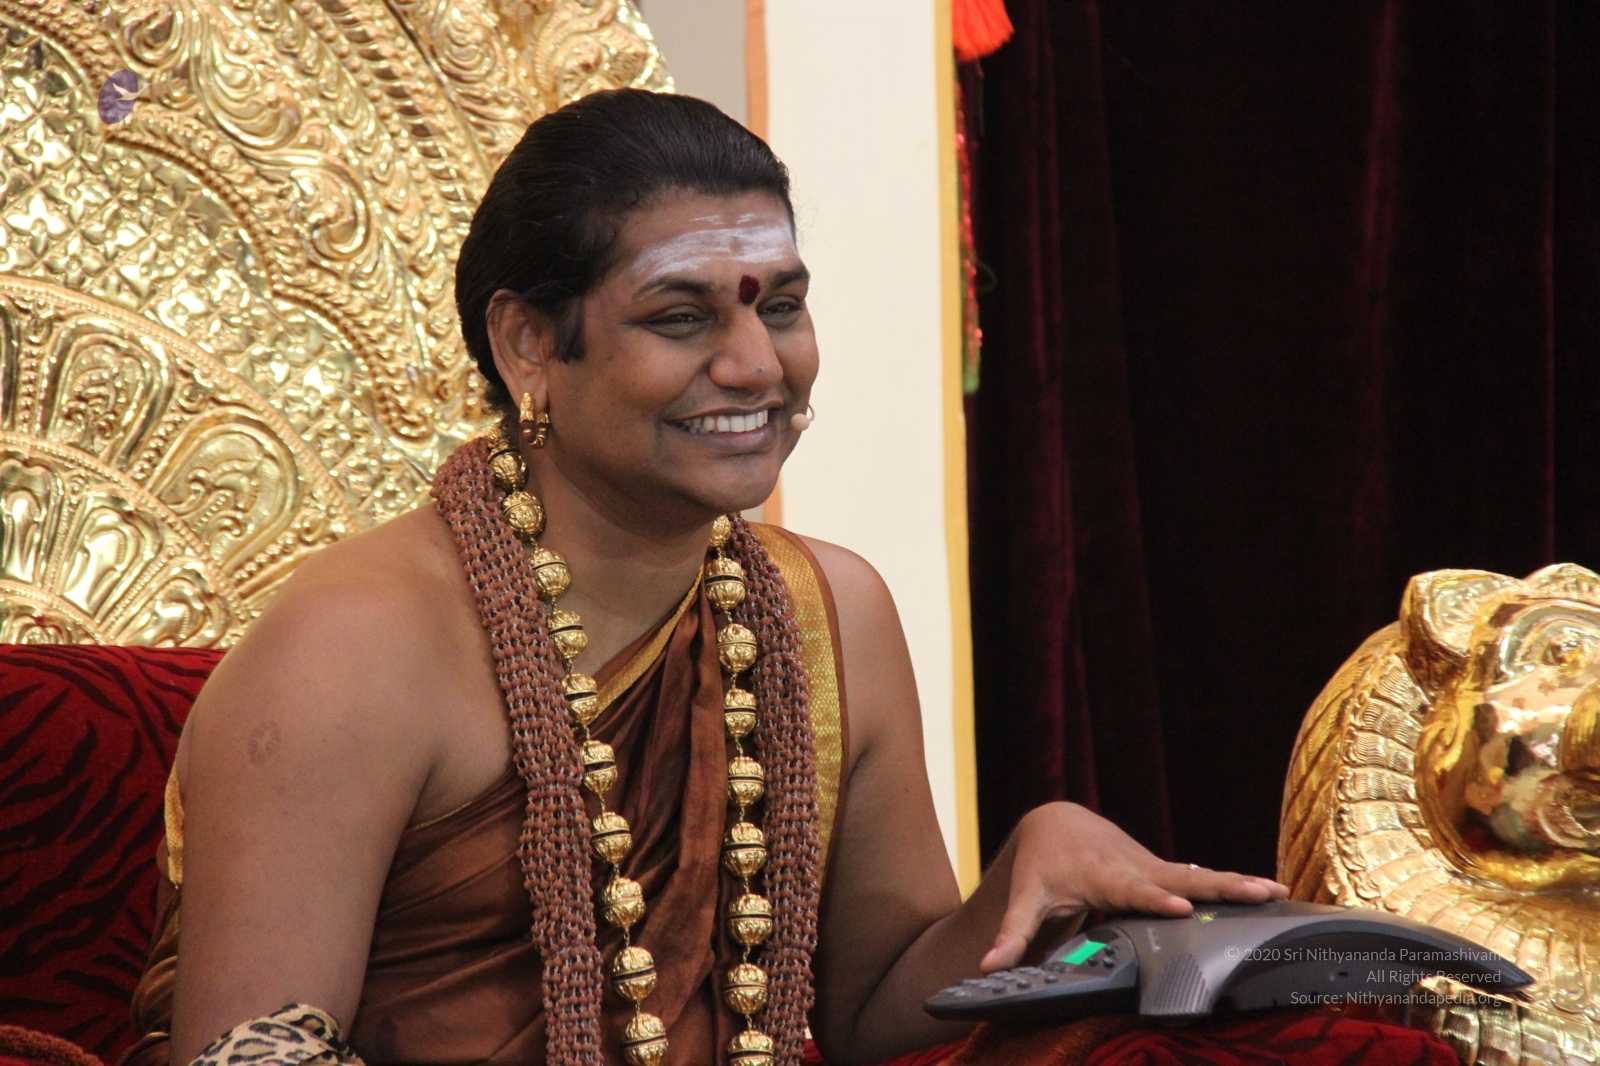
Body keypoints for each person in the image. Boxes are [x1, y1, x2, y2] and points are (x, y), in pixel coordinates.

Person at [122, 89, 1286, 1066]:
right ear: (529, 343)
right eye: (679, 317)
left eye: (780, 306)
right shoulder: (356, 642)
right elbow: (249, 1053)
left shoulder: (831, 613)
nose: (755, 364)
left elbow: (872, 1001)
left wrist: (1026, 876)